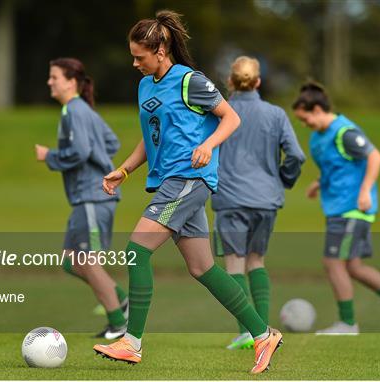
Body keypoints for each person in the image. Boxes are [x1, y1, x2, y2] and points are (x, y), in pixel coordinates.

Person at [93, 11, 283, 374]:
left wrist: (209, 145)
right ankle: (263, 335)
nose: (134, 63)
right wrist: (124, 170)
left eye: (140, 56)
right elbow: (152, 139)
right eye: (133, 56)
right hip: (170, 182)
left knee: (136, 251)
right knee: (202, 267)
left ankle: (131, 342)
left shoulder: (190, 81)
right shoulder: (146, 85)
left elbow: (231, 117)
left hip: (189, 180)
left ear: (161, 50)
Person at [292, 82, 380, 335]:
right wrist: (318, 184)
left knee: (332, 262)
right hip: (337, 208)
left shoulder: (344, 131)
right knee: (353, 267)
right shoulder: (317, 138)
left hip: (352, 208)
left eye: (305, 119)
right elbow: (335, 169)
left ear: (316, 109)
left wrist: (366, 189)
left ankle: (348, 324)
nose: (305, 124)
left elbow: (375, 157)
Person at [212, 56, 305, 350]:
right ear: (258, 82)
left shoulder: (217, 112)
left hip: (230, 198)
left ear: (230, 81)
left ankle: (249, 333)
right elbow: (296, 156)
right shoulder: (276, 114)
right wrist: (282, 180)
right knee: (257, 261)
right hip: (266, 199)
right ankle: (264, 332)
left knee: (235, 264)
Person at [35, 57, 129, 340]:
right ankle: (122, 301)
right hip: (88, 198)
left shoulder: (74, 111)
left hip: (92, 197)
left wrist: (49, 156)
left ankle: (119, 324)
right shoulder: (81, 110)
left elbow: (80, 151)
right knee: (71, 261)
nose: (50, 82)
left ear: (71, 82)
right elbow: (110, 142)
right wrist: (100, 157)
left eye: (54, 77)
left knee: (86, 261)